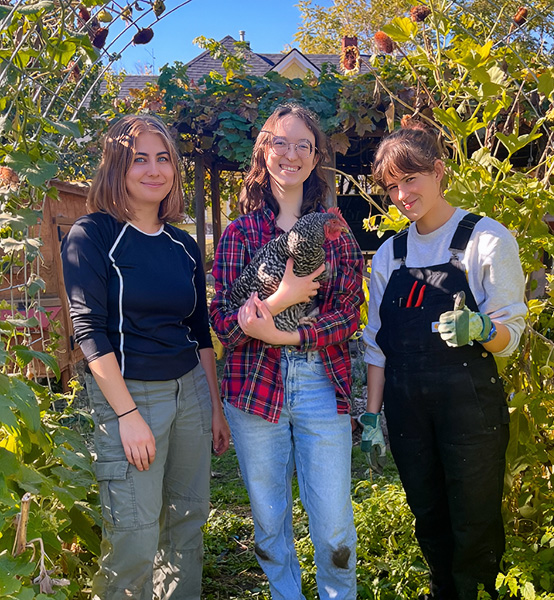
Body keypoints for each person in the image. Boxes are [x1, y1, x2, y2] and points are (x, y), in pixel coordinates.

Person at [61, 114, 230, 600]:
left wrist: (213, 407)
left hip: (191, 394)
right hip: (130, 394)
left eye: (163, 159)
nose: (154, 170)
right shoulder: (92, 235)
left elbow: (199, 333)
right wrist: (127, 415)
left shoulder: (183, 245)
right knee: (134, 534)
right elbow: (90, 332)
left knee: (186, 520)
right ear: (117, 166)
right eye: (139, 159)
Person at [361, 118, 527, 600]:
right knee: (428, 512)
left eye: (410, 179)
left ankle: (476, 591)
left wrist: (482, 328)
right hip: (407, 406)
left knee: (473, 518)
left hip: (469, 406)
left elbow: (511, 336)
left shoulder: (486, 239)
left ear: (438, 172)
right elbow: (376, 343)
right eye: (391, 186)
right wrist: (372, 417)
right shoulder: (389, 254)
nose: (401, 196)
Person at [210, 103, 363, 600]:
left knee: (336, 526)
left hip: (320, 380)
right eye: (281, 142)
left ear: (315, 156)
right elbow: (224, 324)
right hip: (254, 388)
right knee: (269, 521)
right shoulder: (239, 234)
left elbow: (347, 316)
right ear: (264, 151)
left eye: (303, 145)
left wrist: (287, 334)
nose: (291, 154)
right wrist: (285, 299)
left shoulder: (337, 240)